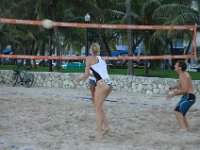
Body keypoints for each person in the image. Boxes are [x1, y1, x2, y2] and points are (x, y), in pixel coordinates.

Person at [75, 43, 113, 140]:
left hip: (102, 85)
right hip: (109, 84)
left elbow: (86, 75)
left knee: (97, 110)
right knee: (99, 108)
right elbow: (100, 72)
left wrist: (78, 79)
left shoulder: (89, 58)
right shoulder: (102, 59)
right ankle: (106, 127)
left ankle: (99, 133)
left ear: (91, 50)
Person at [167, 60, 196, 131]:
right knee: (181, 113)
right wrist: (174, 87)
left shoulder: (183, 76)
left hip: (189, 97)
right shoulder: (185, 74)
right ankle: (187, 128)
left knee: (177, 111)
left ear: (180, 67)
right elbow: (183, 85)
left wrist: (173, 94)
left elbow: (184, 90)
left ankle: (183, 129)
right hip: (189, 96)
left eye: (176, 65)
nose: (174, 66)